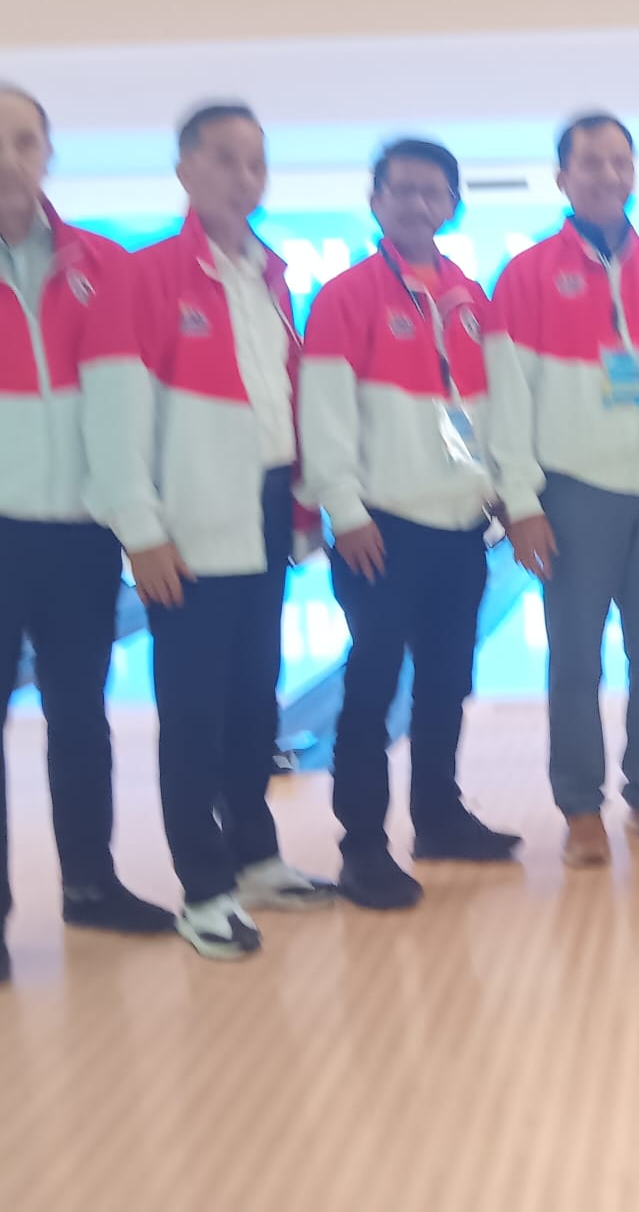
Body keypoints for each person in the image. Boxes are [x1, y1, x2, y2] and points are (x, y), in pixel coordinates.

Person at [126, 103, 335, 959]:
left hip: (264, 504)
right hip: (189, 520)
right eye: (224, 159)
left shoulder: (270, 275)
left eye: (255, 162)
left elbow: (282, 401)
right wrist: (143, 531)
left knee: (255, 695)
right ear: (185, 169)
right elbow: (125, 420)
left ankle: (254, 857)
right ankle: (204, 888)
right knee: (193, 711)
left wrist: (301, 507)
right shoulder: (149, 277)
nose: (243, 177)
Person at [300, 139, 520, 911]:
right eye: (403, 189)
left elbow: (481, 409)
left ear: (453, 205)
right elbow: (323, 416)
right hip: (381, 529)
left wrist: (497, 491)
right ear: (376, 200)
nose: (417, 203)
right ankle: (362, 845)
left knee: (446, 682)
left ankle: (439, 816)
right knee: (372, 688)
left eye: (432, 191)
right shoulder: (346, 295)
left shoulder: (468, 298)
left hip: (459, 527)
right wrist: (345, 510)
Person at [486, 113, 639, 870]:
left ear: (634, 173)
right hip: (576, 493)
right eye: (591, 162)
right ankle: (580, 806)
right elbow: (507, 400)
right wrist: (521, 502)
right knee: (576, 660)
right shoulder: (525, 276)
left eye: (620, 161)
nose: (608, 174)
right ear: (563, 178)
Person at [0, 86, 174, 985]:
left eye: (23, 140)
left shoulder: (103, 264)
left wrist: (138, 525)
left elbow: (121, 412)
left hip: (79, 535)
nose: (8, 158)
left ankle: (90, 884)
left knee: (80, 716)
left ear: (48, 154)